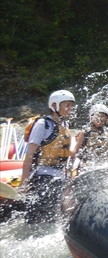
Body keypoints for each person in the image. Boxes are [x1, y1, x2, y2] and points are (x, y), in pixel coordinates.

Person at [20, 90, 75, 222]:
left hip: (59, 177)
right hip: (42, 177)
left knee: (53, 220)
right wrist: (24, 182)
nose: (70, 108)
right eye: (66, 105)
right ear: (54, 106)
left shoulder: (65, 125)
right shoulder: (42, 124)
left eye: (71, 105)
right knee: (38, 220)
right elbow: (29, 154)